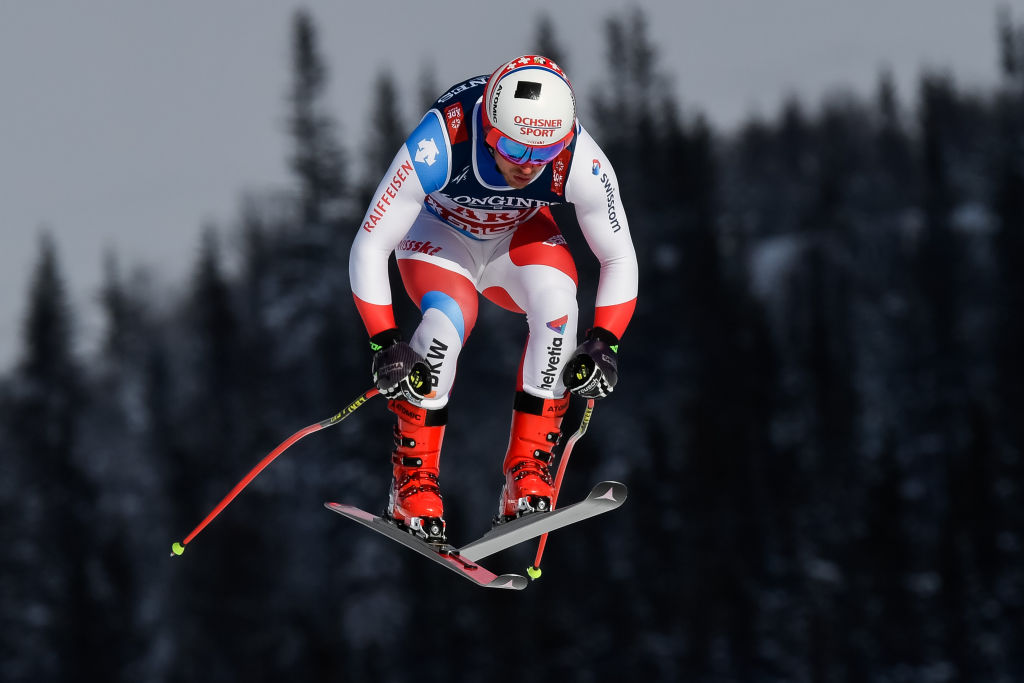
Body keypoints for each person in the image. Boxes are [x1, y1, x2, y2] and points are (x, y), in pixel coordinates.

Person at [349, 54, 638, 543]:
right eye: (511, 147)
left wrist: (604, 342)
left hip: (516, 238)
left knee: (559, 309)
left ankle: (526, 476)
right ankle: (412, 484)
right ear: (487, 127)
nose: (526, 166)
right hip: (439, 237)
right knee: (447, 320)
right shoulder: (442, 139)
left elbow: (619, 257)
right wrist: (385, 343)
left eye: (542, 155)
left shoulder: (579, 158)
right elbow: (369, 245)